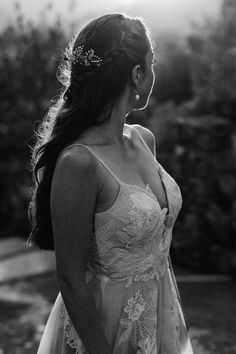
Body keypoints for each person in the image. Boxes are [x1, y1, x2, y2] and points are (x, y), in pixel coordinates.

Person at [27, 12, 194, 354]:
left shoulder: (144, 139)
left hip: (159, 313)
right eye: (152, 63)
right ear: (137, 74)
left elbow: (158, 241)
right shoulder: (79, 163)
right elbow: (71, 279)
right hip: (104, 328)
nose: (153, 72)